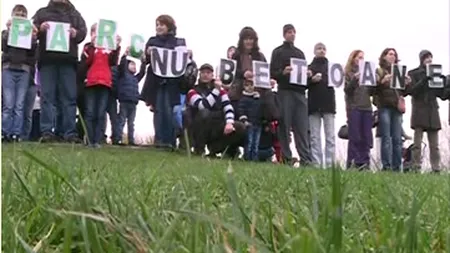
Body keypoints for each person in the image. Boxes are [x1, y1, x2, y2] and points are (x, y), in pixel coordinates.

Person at [32, 0, 87, 143]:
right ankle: (47, 132)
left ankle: (68, 132)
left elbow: (83, 32)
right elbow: (30, 31)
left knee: (69, 97)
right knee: (47, 97)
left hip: (68, 61)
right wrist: (39, 28)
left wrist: (76, 33)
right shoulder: (42, 12)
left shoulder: (75, 14)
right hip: (47, 60)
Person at [140, 14, 187, 149]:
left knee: (169, 111)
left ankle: (170, 141)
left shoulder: (178, 42)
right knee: (158, 110)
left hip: (172, 84)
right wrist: (147, 54)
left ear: (169, 26)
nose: (159, 27)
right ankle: (159, 140)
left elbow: (182, 62)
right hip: (156, 82)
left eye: (162, 24)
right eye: (157, 25)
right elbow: (146, 61)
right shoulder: (152, 41)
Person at [270, 24, 311, 166]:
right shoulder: (278, 52)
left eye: (293, 32)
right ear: (284, 34)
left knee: (302, 127)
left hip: (299, 92)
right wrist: (283, 72)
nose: (292, 34)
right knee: (284, 125)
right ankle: (286, 158)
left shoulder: (300, 53)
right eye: (289, 32)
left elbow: (304, 77)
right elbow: (272, 73)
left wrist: (308, 76)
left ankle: (306, 159)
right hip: (285, 91)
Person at [186, 63, 245, 156]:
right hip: (199, 128)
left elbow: (228, 107)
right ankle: (199, 150)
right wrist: (216, 90)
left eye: (208, 73)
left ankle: (215, 149)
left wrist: (229, 123)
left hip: (217, 126)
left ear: (212, 75)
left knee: (240, 127)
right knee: (204, 113)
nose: (205, 75)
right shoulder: (192, 91)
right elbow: (203, 106)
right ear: (199, 74)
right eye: (203, 72)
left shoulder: (221, 92)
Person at [80, 23, 121, 147]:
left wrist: (117, 46)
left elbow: (113, 62)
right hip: (91, 82)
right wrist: (93, 46)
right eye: (94, 32)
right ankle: (89, 139)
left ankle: (98, 140)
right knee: (90, 112)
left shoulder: (108, 49)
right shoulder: (88, 47)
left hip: (105, 83)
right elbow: (86, 62)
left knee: (100, 112)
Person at [406, 50, 447, 172]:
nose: (429, 60)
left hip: (432, 110)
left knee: (434, 145)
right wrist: (425, 79)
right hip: (419, 109)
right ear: (421, 59)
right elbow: (412, 90)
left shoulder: (436, 73)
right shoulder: (413, 73)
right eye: (426, 58)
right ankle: (415, 166)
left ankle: (436, 168)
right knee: (417, 143)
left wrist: (443, 82)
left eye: (430, 57)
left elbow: (442, 95)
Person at [2, 4, 38, 142]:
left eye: (23, 15)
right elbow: (3, 46)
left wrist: (33, 37)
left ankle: (16, 133)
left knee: (19, 104)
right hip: (8, 68)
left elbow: (32, 52)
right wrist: (9, 30)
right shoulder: (6, 33)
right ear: (12, 15)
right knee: (8, 103)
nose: (20, 16)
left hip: (23, 70)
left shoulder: (28, 35)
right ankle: (5, 132)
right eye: (18, 14)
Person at [375, 48, 411, 171]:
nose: (392, 57)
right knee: (386, 138)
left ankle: (397, 167)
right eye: (390, 54)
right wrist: (383, 82)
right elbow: (374, 90)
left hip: (396, 108)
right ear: (384, 56)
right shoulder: (379, 71)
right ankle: (386, 165)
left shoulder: (398, 71)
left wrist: (407, 84)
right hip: (384, 106)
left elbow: (403, 93)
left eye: (394, 55)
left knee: (397, 139)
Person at [343, 50, 374, 170]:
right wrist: (354, 80)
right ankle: (352, 162)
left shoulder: (367, 72)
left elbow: (372, 92)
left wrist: (375, 82)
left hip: (366, 107)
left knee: (366, 137)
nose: (361, 59)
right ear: (353, 58)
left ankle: (365, 163)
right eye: (358, 57)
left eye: (362, 57)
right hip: (354, 107)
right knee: (355, 137)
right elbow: (347, 90)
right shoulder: (348, 73)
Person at [307, 42, 336, 168]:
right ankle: (316, 164)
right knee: (315, 136)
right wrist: (311, 80)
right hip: (314, 104)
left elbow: (339, 82)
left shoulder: (333, 68)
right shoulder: (308, 68)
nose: (321, 51)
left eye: (324, 48)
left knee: (330, 136)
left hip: (328, 104)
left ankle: (330, 165)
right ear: (314, 51)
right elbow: (302, 85)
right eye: (319, 48)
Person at [117, 48, 146, 145]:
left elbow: (142, 72)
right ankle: (118, 138)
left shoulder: (135, 78)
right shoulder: (123, 74)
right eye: (132, 64)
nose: (134, 67)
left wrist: (143, 62)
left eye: (135, 65)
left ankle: (131, 140)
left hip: (133, 102)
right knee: (121, 120)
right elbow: (121, 65)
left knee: (131, 123)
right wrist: (125, 55)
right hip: (124, 101)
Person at [238, 81, 262, 161]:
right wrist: (244, 120)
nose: (249, 87)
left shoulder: (258, 98)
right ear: (244, 87)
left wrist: (263, 120)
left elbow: (261, 110)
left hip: (258, 123)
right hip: (249, 123)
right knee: (249, 142)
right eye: (247, 85)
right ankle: (247, 157)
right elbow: (241, 110)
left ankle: (254, 158)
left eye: (251, 85)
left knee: (256, 143)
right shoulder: (243, 99)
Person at [22, 66, 38, 141]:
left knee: (28, 113)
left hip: (33, 83)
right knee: (18, 108)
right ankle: (16, 134)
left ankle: (25, 136)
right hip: (24, 77)